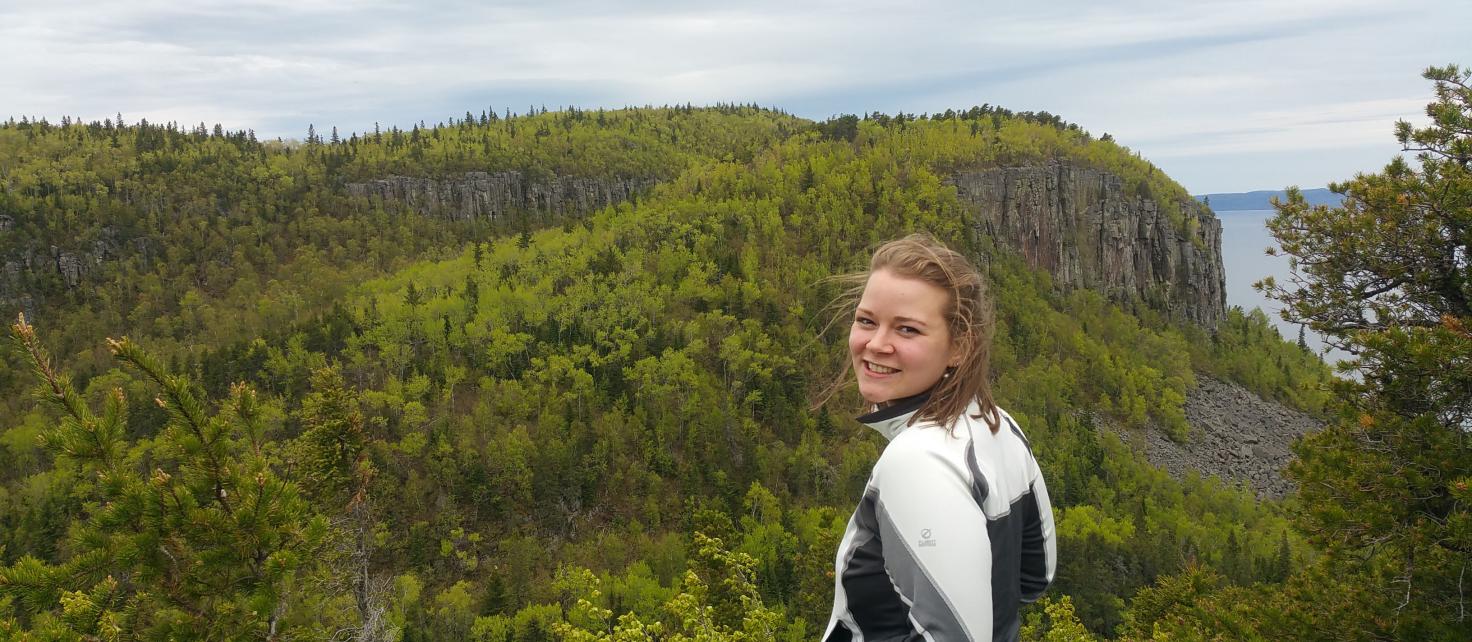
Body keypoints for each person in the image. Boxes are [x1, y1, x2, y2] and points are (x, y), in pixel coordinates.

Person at [822, 234, 1056, 642]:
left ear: (959, 347)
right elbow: (1037, 576)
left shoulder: (918, 460)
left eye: (907, 329)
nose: (876, 344)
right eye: (866, 320)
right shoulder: (999, 425)